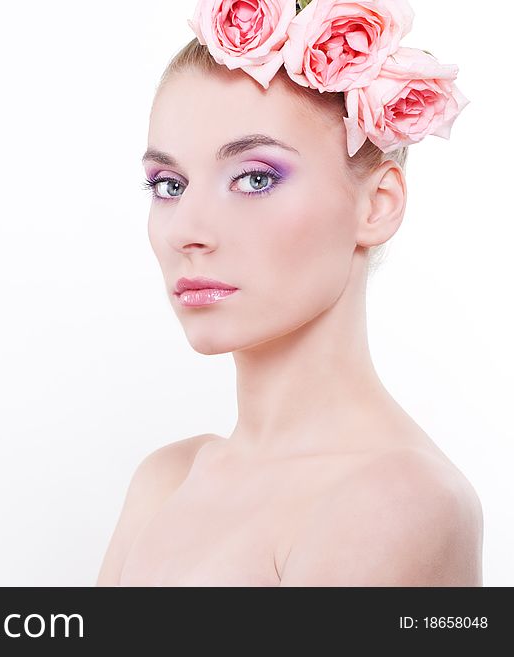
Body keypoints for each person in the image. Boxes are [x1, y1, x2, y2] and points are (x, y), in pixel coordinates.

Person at [96, 0, 482, 586]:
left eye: (255, 178)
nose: (187, 231)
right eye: (168, 184)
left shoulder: (399, 500)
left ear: (378, 205)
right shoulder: (166, 480)